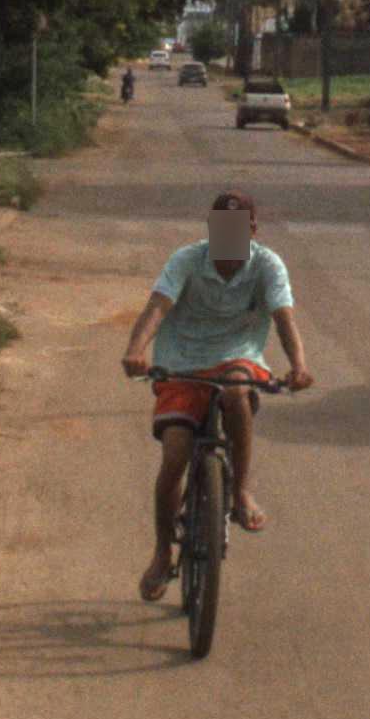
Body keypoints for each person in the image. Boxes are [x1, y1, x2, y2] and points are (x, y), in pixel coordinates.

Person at [119, 188, 311, 602]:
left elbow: (284, 318)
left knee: (237, 391)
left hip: (237, 356)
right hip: (181, 360)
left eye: (236, 229)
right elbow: (156, 308)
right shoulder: (187, 260)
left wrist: (298, 365)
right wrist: (136, 350)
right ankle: (161, 552)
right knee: (175, 455)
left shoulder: (267, 265)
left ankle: (239, 491)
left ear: (252, 230)